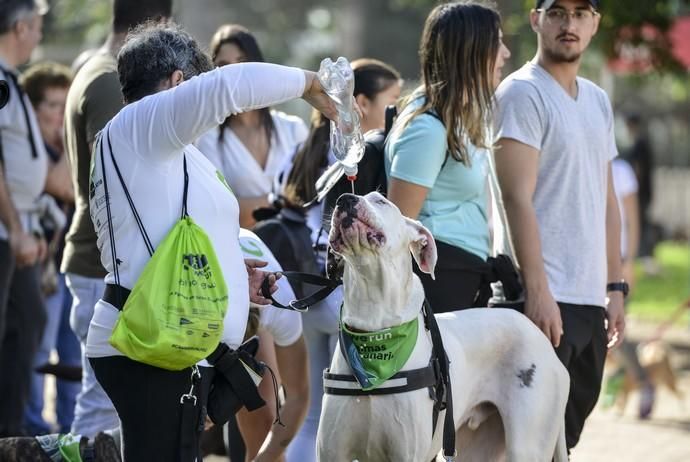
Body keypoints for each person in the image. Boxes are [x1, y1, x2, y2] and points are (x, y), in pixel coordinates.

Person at [85, 21, 335, 461]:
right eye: (195, 85)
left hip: (169, 345)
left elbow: (166, 244)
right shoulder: (142, 124)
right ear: (179, 82)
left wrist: (236, 282)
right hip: (150, 348)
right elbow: (229, 86)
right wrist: (309, 82)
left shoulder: (158, 147)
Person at [492, 0, 626, 450]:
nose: (568, 24)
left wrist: (616, 286)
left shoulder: (598, 100)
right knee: (524, 444)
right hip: (544, 301)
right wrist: (538, 291)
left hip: (589, 299)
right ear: (536, 20)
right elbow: (516, 197)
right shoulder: (521, 93)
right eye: (556, 12)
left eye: (580, 13)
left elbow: (607, 199)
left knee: (563, 442)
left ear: (595, 24)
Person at [60, 0, 172, 438]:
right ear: (157, 25)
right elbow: (120, 182)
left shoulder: (99, 69)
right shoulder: (110, 80)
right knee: (101, 408)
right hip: (102, 266)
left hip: (99, 263)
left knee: (108, 407)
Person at [281, 58, 402, 462]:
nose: (395, 113)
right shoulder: (366, 152)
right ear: (361, 103)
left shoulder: (303, 151)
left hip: (305, 292)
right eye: (391, 103)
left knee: (314, 414)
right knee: (357, 415)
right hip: (343, 295)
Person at [384, 1, 511, 313]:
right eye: (497, 43)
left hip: (462, 274)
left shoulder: (461, 120)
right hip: (437, 281)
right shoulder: (428, 128)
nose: (506, 53)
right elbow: (398, 227)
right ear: (470, 50)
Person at [19, 61, 81, 436]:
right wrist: (76, 137)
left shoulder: (61, 146)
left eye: (66, 105)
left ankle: (73, 428)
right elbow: (63, 187)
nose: (62, 114)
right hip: (41, 269)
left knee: (73, 355)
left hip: (70, 265)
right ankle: (34, 430)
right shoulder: (29, 149)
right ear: (32, 108)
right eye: (54, 106)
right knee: (38, 353)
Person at [195, 24, 308, 228]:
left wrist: (253, 206)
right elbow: (221, 212)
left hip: (298, 252)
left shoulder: (293, 129)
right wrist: (287, 200)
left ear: (258, 68)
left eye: (243, 63)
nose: (236, 75)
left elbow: (315, 196)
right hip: (246, 254)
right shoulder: (208, 140)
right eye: (224, 66)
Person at [0, 0, 51, 437]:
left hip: (15, 229)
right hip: (4, 231)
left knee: (29, 321)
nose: (38, 37)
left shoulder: (10, 82)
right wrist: (16, 229)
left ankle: (9, 434)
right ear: (20, 27)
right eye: (36, 28)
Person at [235, 229, 309, 462]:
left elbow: (298, 395)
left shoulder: (281, 306)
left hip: (249, 313)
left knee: (263, 424)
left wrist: (265, 457)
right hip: (193, 307)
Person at [610, 156, 656, 419]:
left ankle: (643, 381)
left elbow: (632, 218)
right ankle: (623, 377)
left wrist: (630, 261)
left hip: (619, 261)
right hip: (589, 264)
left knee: (617, 331)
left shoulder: (622, 170)